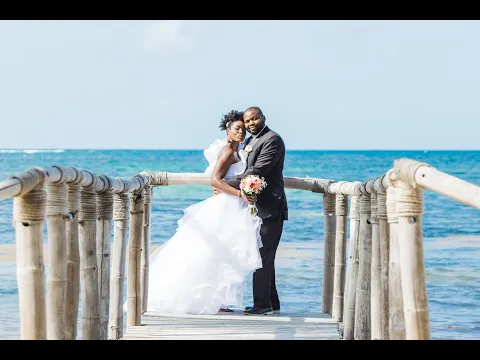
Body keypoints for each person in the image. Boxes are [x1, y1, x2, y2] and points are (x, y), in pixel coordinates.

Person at [128, 110, 264, 315]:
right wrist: (240, 194)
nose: (241, 133)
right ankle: (202, 300)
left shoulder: (239, 150)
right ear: (228, 131)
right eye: (237, 129)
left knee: (224, 253)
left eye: (243, 130)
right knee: (211, 252)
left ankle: (217, 301)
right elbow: (215, 180)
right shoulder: (228, 151)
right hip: (225, 206)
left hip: (233, 207)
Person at [216, 106, 288, 315]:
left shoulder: (272, 140)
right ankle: (271, 302)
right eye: (248, 122)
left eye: (254, 119)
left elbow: (257, 170)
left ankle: (262, 305)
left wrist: (223, 183)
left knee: (263, 254)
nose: (251, 124)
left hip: (271, 206)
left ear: (263, 118)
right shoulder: (249, 141)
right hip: (258, 206)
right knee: (266, 254)